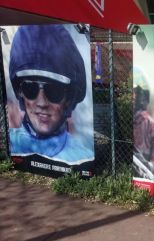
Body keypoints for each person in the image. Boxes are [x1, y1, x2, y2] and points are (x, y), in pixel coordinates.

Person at [8, 25, 93, 163]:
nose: (41, 103)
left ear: (69, 99)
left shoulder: (83, 159)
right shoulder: (9, 144)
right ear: (20, 92)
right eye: (30, 88)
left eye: (54, 91)